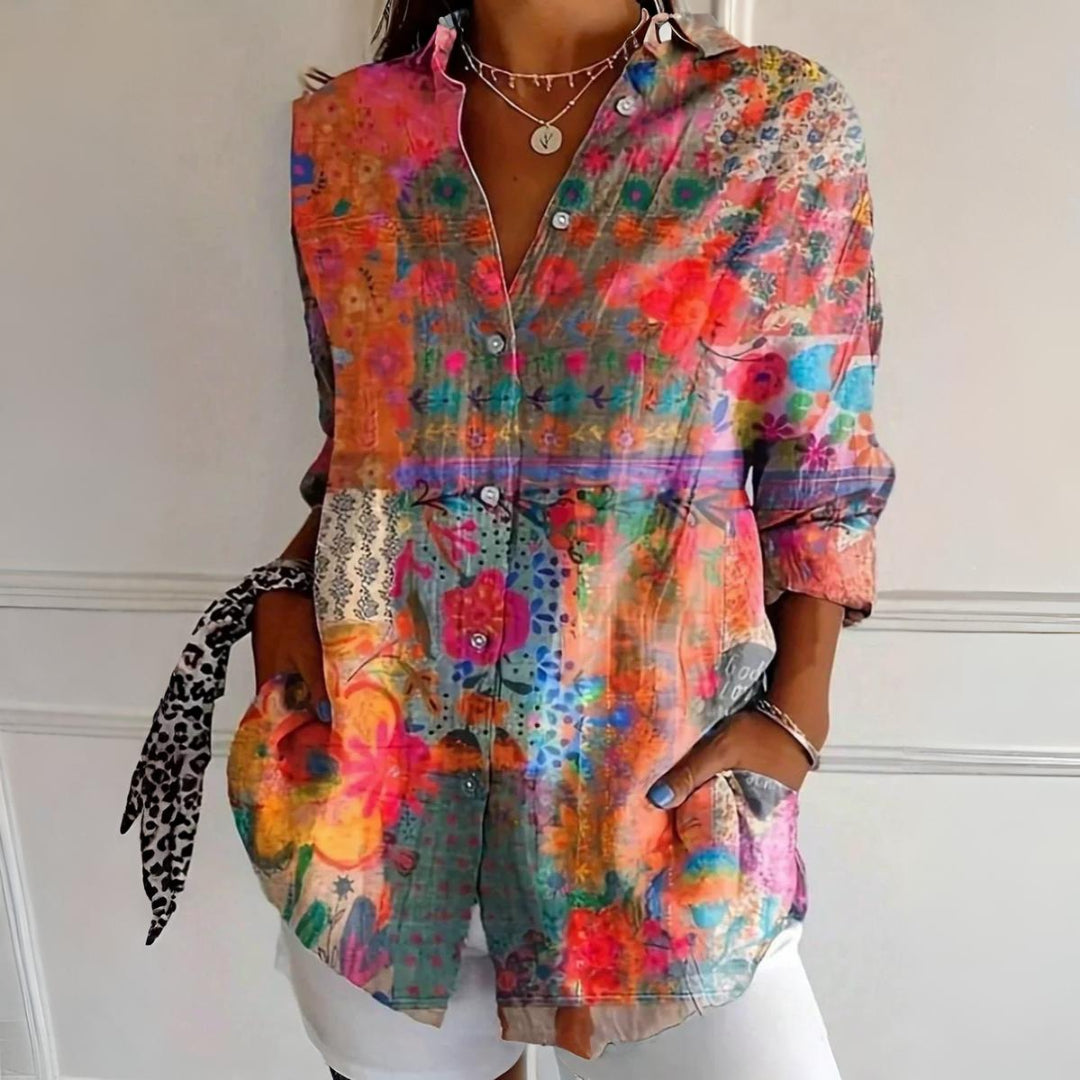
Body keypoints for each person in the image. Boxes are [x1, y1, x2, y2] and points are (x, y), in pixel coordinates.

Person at [122, 2, 896, 1078]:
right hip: (377, 822)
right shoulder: (348, 136)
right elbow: (364, 445)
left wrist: (798, 713)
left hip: (658, 826)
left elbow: (821, 462)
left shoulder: (773, 124)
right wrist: (285, 601)